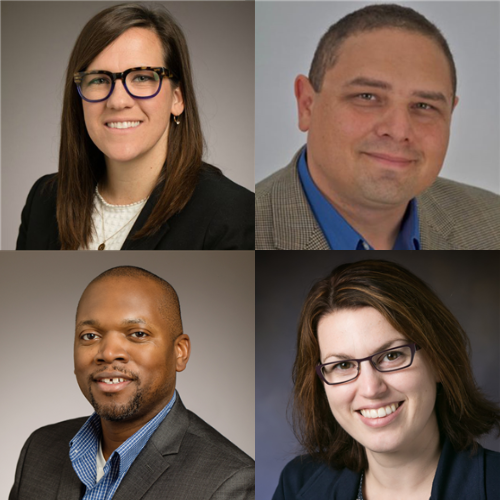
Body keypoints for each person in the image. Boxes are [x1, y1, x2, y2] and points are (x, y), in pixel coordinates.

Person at [256, 3, 500, 250]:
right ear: (307, 105)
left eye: (424, 106)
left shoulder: (493, 223)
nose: (399, 130)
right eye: (367, 97)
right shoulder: (245, 229)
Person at [16, 3, 254, 250]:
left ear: (177, 98)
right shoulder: (43, 201)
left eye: (142, 77)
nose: (118, 101)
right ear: (79, 98)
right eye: (99, 79)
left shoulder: (233, 214)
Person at [10, 266, 254, 499]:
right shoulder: (39, 449)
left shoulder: (231, 482)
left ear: (180, 352)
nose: (108, 352)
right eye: (90, 336)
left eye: (138, 334)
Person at [272, 259, 500, 499]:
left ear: (439, 361)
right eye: (343, 365)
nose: (371, 389)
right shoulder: (297, 485)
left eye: (392, 356)